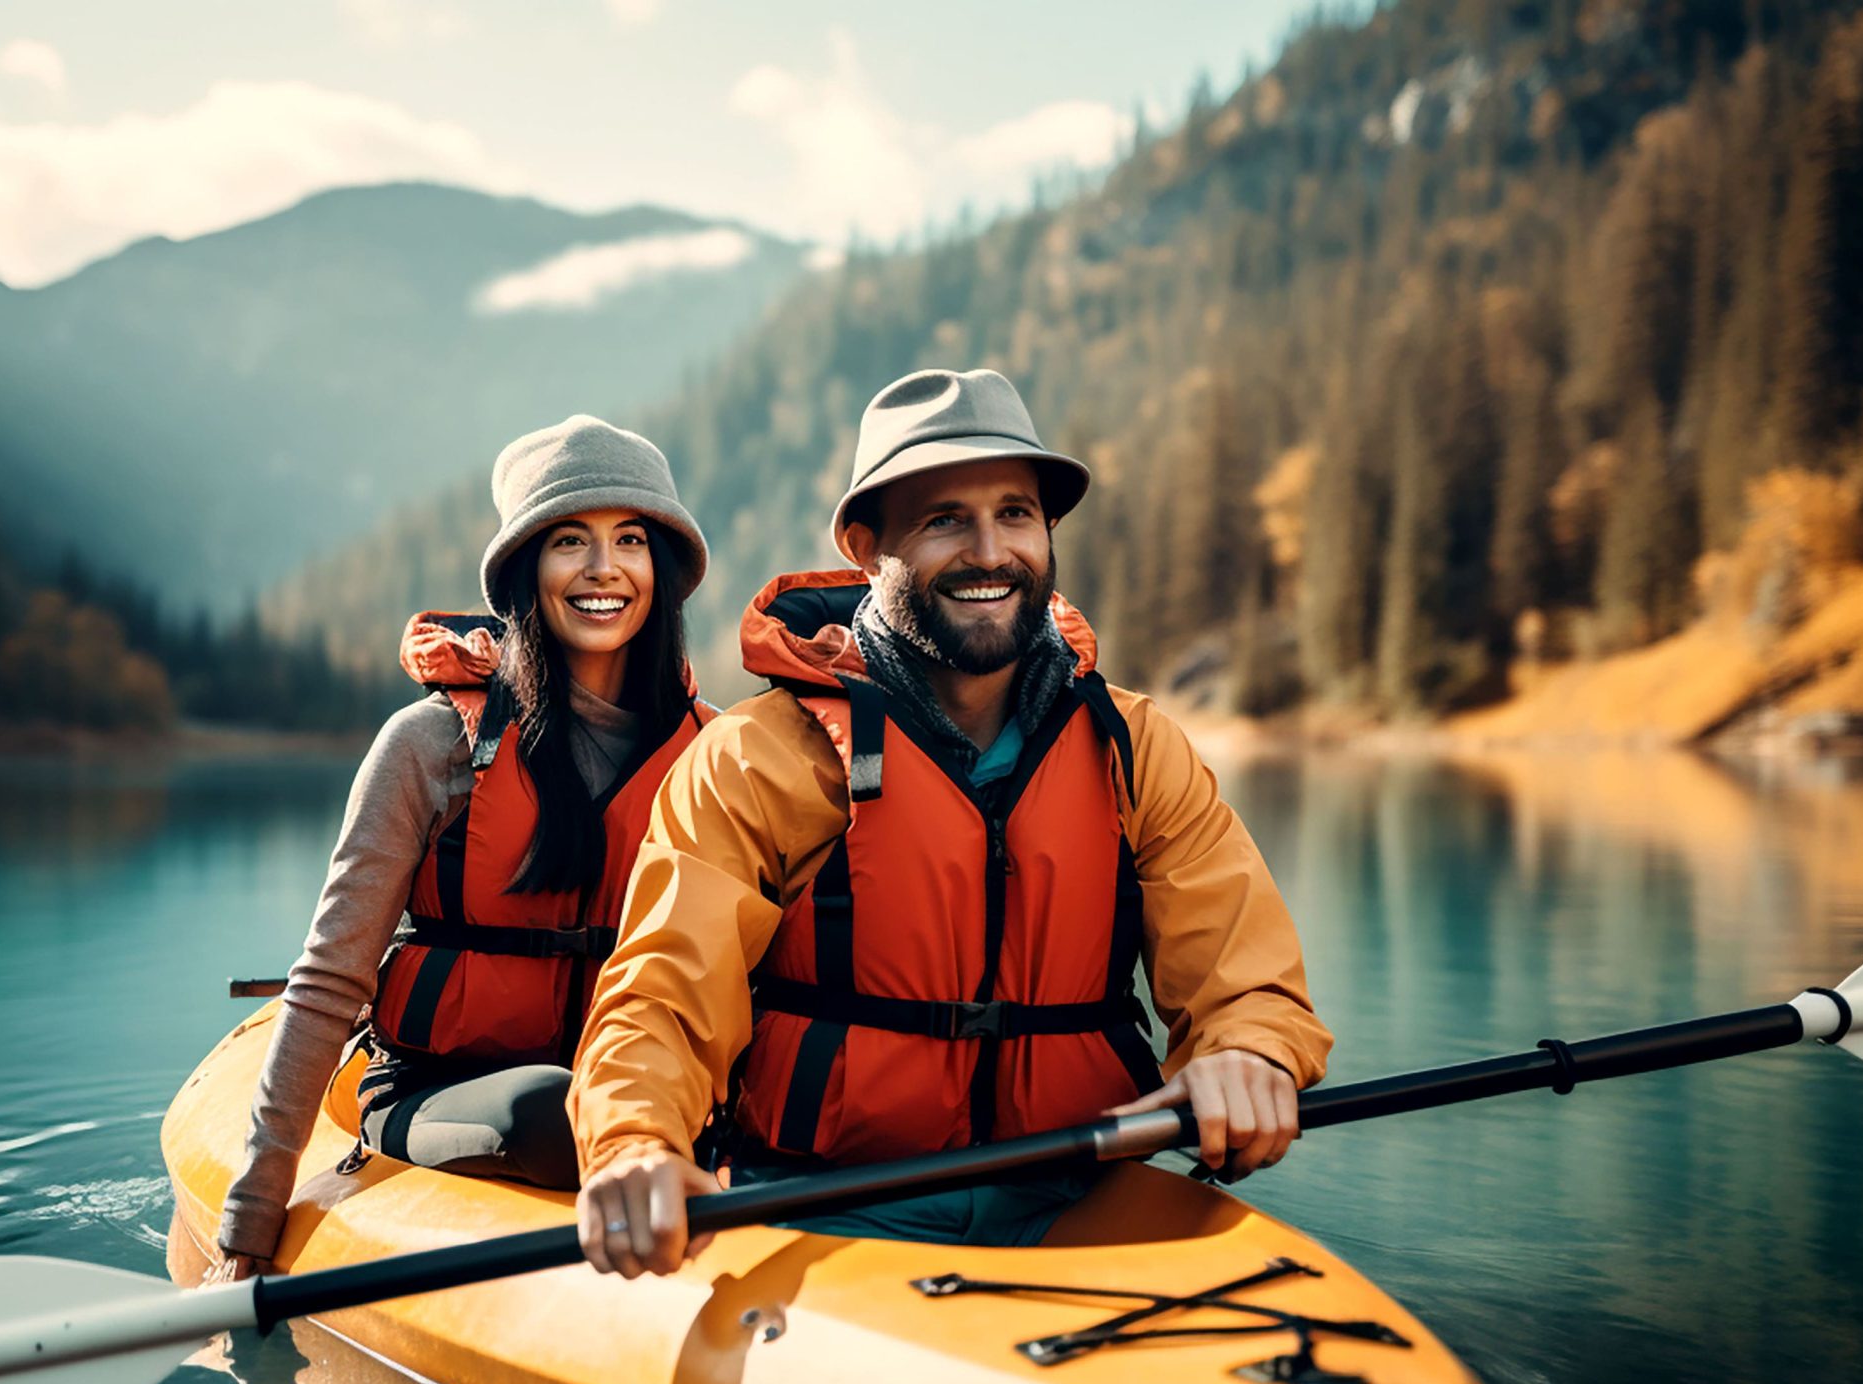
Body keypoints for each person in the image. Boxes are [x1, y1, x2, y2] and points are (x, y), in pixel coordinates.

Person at [568, 368, 1333, 1277]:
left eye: (1016, 513)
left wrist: (1248, 1050)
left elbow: (1244, 976)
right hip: (824, 1203)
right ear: (864, 545)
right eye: (943, 521)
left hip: (1077, 1198)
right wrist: (635, 1142)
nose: (989, 551)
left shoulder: (1135, 746)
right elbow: (660, 994)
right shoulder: (757, 760)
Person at [211, 415, 711, 1280]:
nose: (604, 569)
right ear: (525, 573)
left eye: (630, 539)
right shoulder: (431, 745)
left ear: (661, 572)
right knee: (551, 1109)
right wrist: (250, 1223)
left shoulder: (712, 753)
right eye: (569, 541)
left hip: (638, 1099)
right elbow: (331, 980)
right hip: (448, 1089)